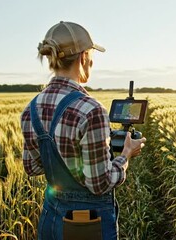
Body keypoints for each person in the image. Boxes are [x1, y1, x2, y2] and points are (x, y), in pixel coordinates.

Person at [20, 21, 146, 240]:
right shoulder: (91, 110)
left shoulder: (30, 109)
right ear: (83, 57)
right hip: (87, 223)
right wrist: (126, 155)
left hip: (50, 217)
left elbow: (32, 167)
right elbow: (100, 184)